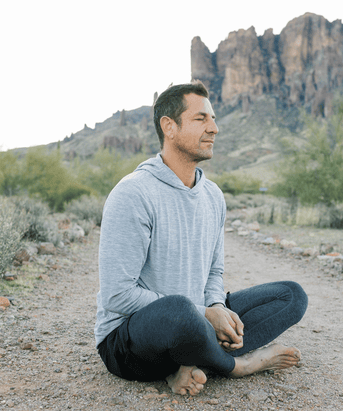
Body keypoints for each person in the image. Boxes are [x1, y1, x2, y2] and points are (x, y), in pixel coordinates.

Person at [94, 80, 308, 395]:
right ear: (169, 126)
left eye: (213, 119)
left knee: (291, 295)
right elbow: (117, 296)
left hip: (196, 321)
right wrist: (203, 312)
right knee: (179, 310)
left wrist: (217, 306)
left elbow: (214, 273)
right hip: (130, 339)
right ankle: (237, 365)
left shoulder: (213, 196)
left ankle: (190, 364)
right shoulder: (134, 193)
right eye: (201, 119)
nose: (214, 128)